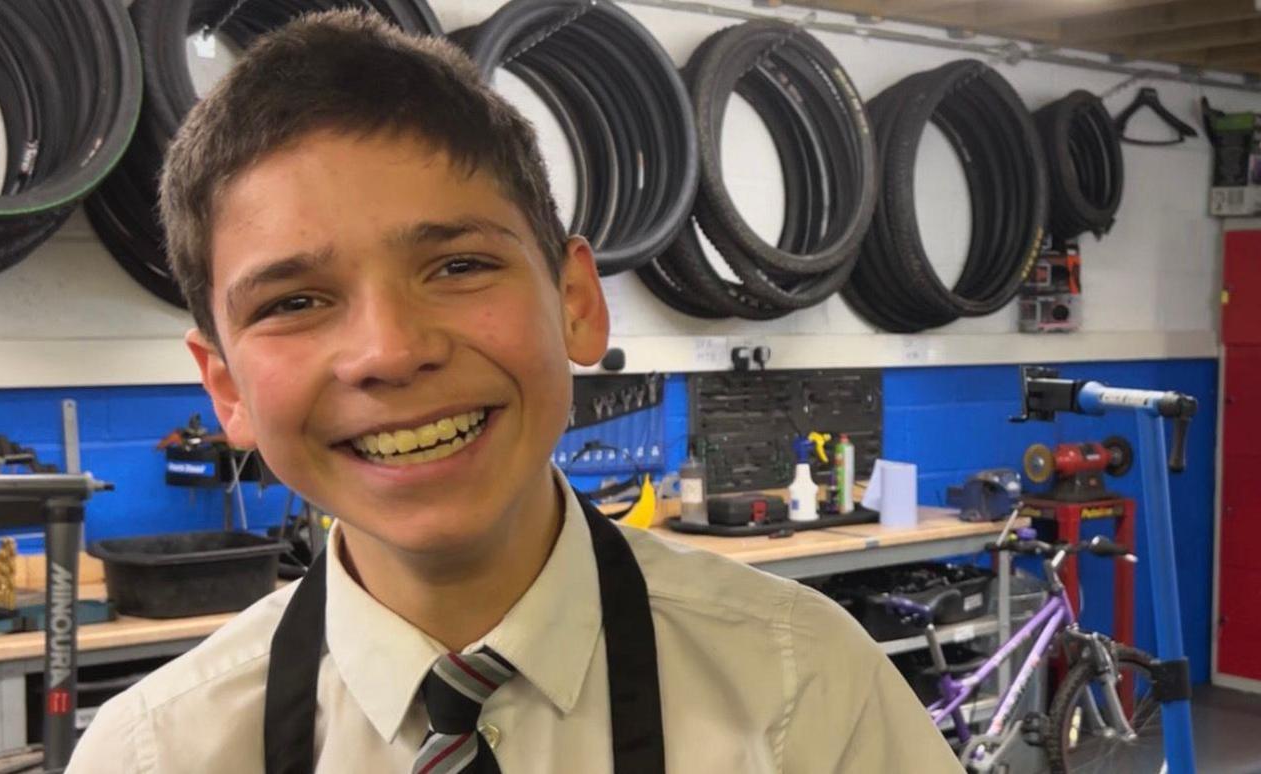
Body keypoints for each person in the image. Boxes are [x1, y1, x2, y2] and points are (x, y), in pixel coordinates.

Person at [68, 9, 960, 773]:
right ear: (225, 387)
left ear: (576, 303)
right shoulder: (153, 753)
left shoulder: (808, 700)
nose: (388, 350)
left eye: (457, 265)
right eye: (295, 302)